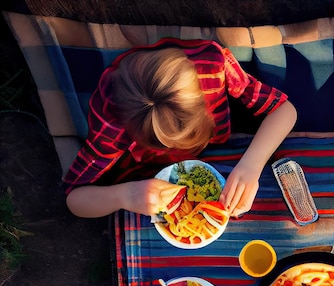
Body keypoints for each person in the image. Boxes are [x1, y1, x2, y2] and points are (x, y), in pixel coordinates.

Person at [64, 38, 297, 219]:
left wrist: (251, 166)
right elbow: (75, 199)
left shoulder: (212, 66)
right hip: (155, 180)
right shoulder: (112, 122)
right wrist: (126, 195)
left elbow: (285, 110)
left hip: (225, 154)